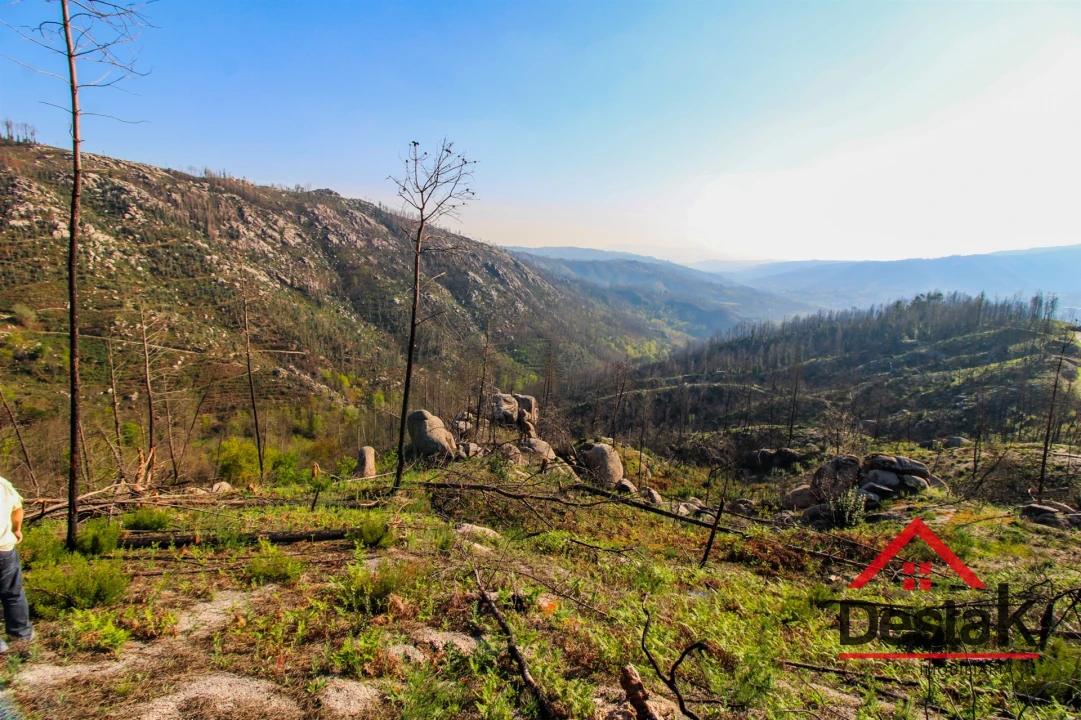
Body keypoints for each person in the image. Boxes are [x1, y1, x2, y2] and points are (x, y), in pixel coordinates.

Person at [0, 475, 32, 652]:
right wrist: (16, 529)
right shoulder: (2, 484)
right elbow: (18, 508)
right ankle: (21, 637)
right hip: (4, 548)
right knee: (13, 594)